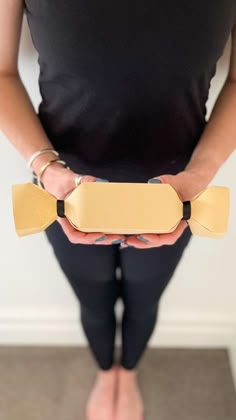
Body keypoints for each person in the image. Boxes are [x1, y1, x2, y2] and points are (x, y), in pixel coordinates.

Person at [1, 1, 236, 419]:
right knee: (93, 301)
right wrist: (47, 168)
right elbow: (1, 73)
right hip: (65, 192)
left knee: (144, 299)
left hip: (174, 196)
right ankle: (105, 372)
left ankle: (127, 373)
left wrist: (200, 174)